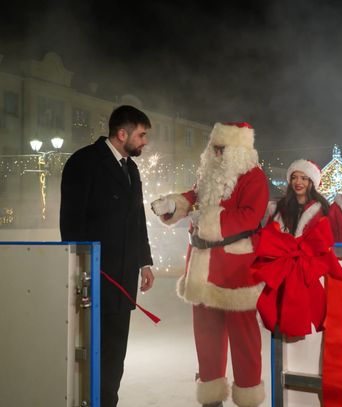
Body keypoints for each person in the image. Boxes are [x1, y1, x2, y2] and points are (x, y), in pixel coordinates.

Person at [151, 122, 268, 407]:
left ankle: (248, 395)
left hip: (235, 268)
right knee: (206, 336)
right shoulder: (209, 174)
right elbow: (195, 196)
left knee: (244, 339)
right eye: (214, 147)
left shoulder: (254, 177)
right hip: (202, 266)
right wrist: (174, 204)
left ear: (238, 150)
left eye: (222, 148)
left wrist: (206, 219)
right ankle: (211, 396)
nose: (216, 153)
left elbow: (250, 216)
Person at [60, 105, 155, 407]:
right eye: (141, 135)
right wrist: (79, 266)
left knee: (115, 352)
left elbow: (137, 218)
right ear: (122, 134)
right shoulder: (84, 162)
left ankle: (107, 401)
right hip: (93, 276)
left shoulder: (131, 168)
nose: (145, 141)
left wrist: (144, 261)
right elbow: (71, 221)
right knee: (89, 348)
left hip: (123, 277)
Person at [252, 159, 342, 407]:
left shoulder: (322, 209)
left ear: (312, 183)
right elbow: (266, 237)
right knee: (276, 322)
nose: (298, 182)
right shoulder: (276, 207)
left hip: (307, 270)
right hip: (281, 270)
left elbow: (326, 241)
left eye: (304, 178)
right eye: (295, 177)